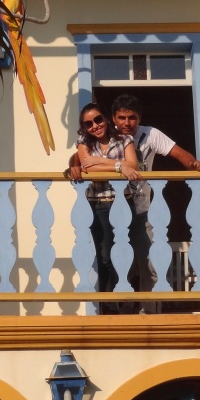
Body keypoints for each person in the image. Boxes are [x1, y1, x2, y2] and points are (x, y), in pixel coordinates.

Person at [68, 94, 200, 312]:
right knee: (114, 260)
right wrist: (75, 166)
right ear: (113, 118)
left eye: (132, 117)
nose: (127, 123)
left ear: (139, 118)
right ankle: (122, 311)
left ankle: (148, 314)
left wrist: (194, 164)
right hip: (112, 207)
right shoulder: (103, 137)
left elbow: (179, 154)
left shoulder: (148, 135)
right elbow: (79, 159)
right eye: (121, 118)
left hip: (143, 209)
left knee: (148, 262)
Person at [70, 103, 141, 312]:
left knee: (120, 255)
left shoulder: (124, 140)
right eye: (88, 123)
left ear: (106, 119)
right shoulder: (84, 142)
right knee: (104, 257)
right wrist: (119, 166)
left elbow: (134, 166)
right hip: (97, 204)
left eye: (98, 119)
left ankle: (125, 304)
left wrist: (99, 162)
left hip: (122, 203)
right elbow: (87, 167)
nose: (95, 125)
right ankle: (109, 308)